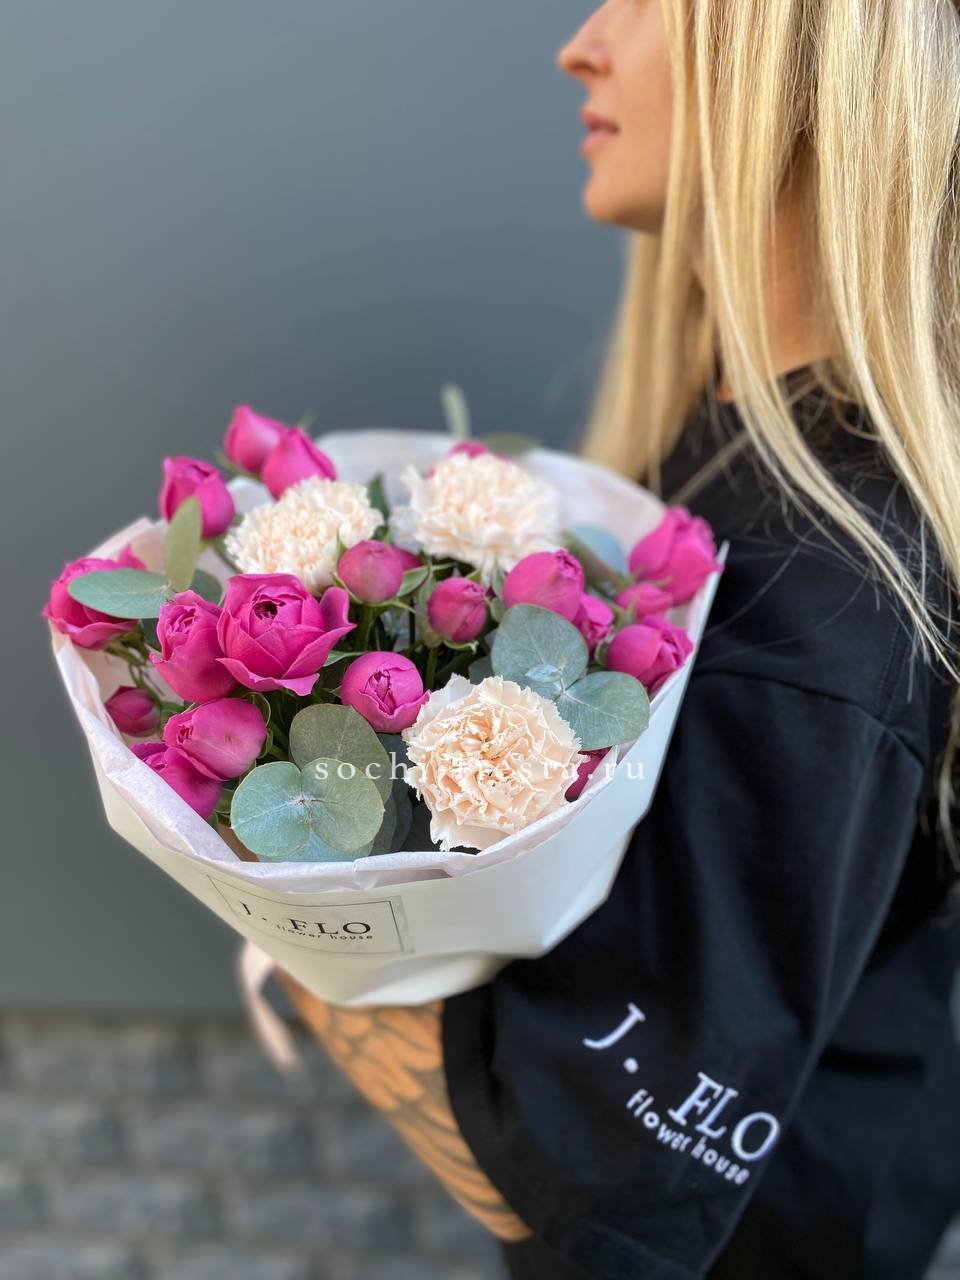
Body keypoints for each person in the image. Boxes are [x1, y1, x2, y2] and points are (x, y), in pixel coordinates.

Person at [277, 0, 960, 1275]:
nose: (580, 44)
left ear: (797, 53)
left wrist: (294, 922)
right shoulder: (722, 460)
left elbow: (599, 1178)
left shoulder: (820, 586)